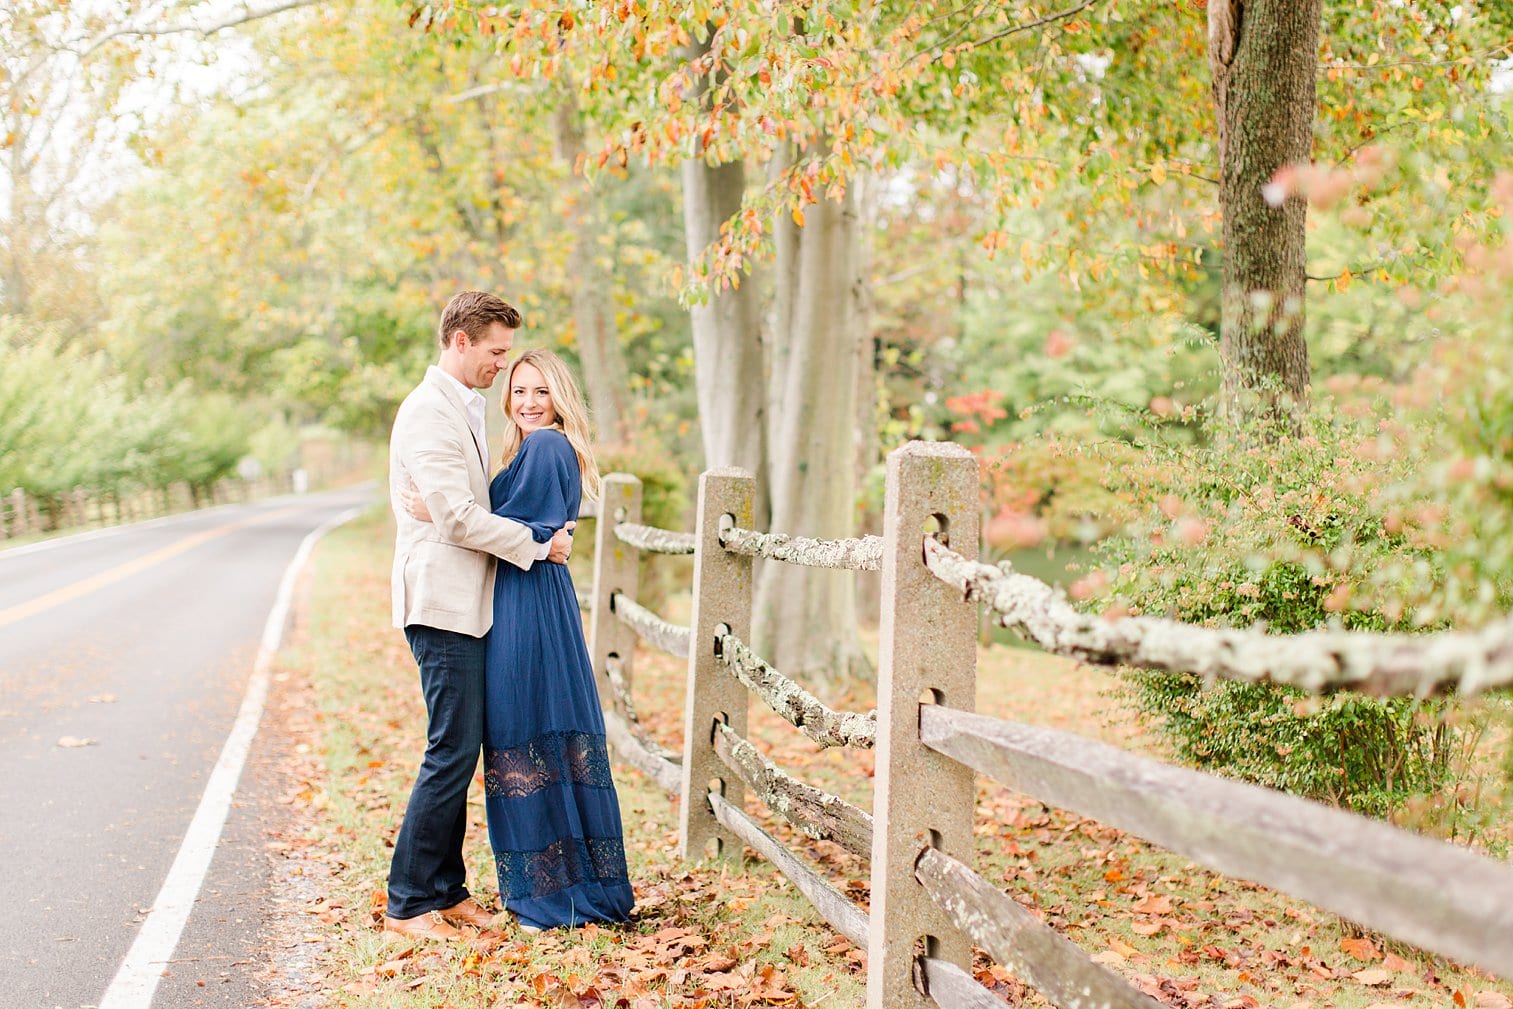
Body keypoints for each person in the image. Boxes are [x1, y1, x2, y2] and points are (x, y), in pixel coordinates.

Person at [406, 348, 634, 932]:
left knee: (526, 732)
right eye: (520, 391)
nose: (529, 403)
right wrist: (450, 511)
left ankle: (557, 893)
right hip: (520, 595)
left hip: (526, 602)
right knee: (527, 736)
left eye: (541, 392)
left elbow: (506, 526)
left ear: (561, 398)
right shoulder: (522, 448)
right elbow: (502, 520)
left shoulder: (547, 445)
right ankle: (555, 883)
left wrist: (437, 512)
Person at [385, 291, 574, 942]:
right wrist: (537, 544)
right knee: (449, 751)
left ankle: (447, 890)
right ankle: (408, 902)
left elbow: (455, 505)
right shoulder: (427, 413)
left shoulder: (460, 408)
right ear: (460, 342)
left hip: (465, 600)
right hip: (439, 602)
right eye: (495, 351)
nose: (502, 364)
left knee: (459, 750)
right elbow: (459, 517)